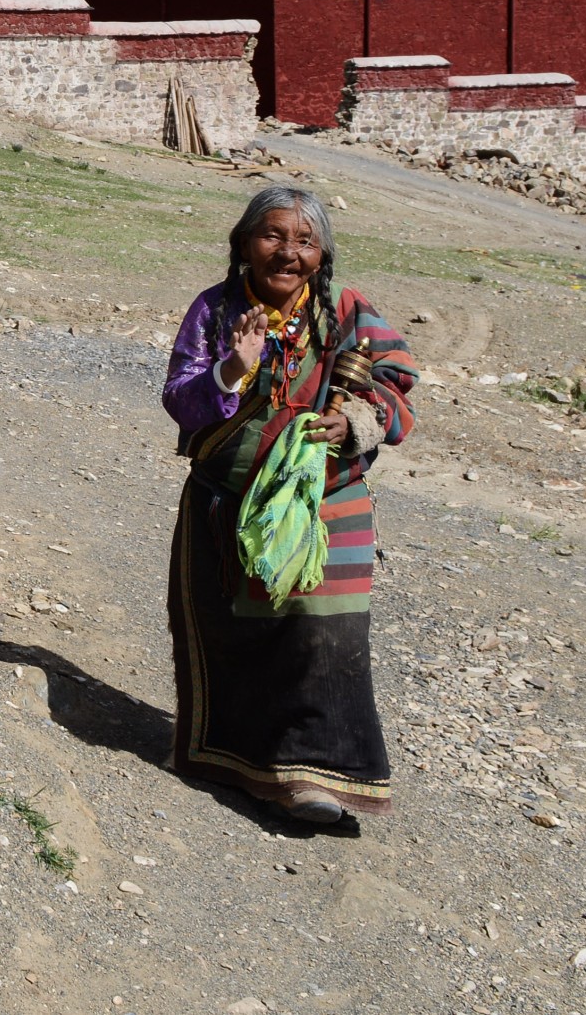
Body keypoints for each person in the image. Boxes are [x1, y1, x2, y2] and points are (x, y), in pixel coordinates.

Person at [162, 184, 415, 823]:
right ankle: (244, 764)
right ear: (244, 244)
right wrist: (232, 369)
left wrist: (356, 419)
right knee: (241, 632)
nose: (288, 252)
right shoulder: (216, 311)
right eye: (273, 235)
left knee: (322, 631)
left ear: (322, 253)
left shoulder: (347, 311)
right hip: (228, 503)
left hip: (328, 496)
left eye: (304, 240)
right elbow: (180, 399)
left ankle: (318, 778)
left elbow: (397, 382)